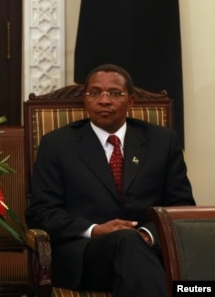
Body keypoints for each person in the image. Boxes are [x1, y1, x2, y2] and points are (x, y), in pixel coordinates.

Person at [25, 64, 195, 296]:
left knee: (133, 248)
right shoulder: (57, 145)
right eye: (94, 93)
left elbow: (181, 207)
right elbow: (40, 212)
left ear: (131, 101)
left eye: (115, 93)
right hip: (87, 257)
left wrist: (146, 235)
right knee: (188, 286)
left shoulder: (161, 142)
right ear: (85, 100)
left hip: (149, 250)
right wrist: (94, 230)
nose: (104, 101)